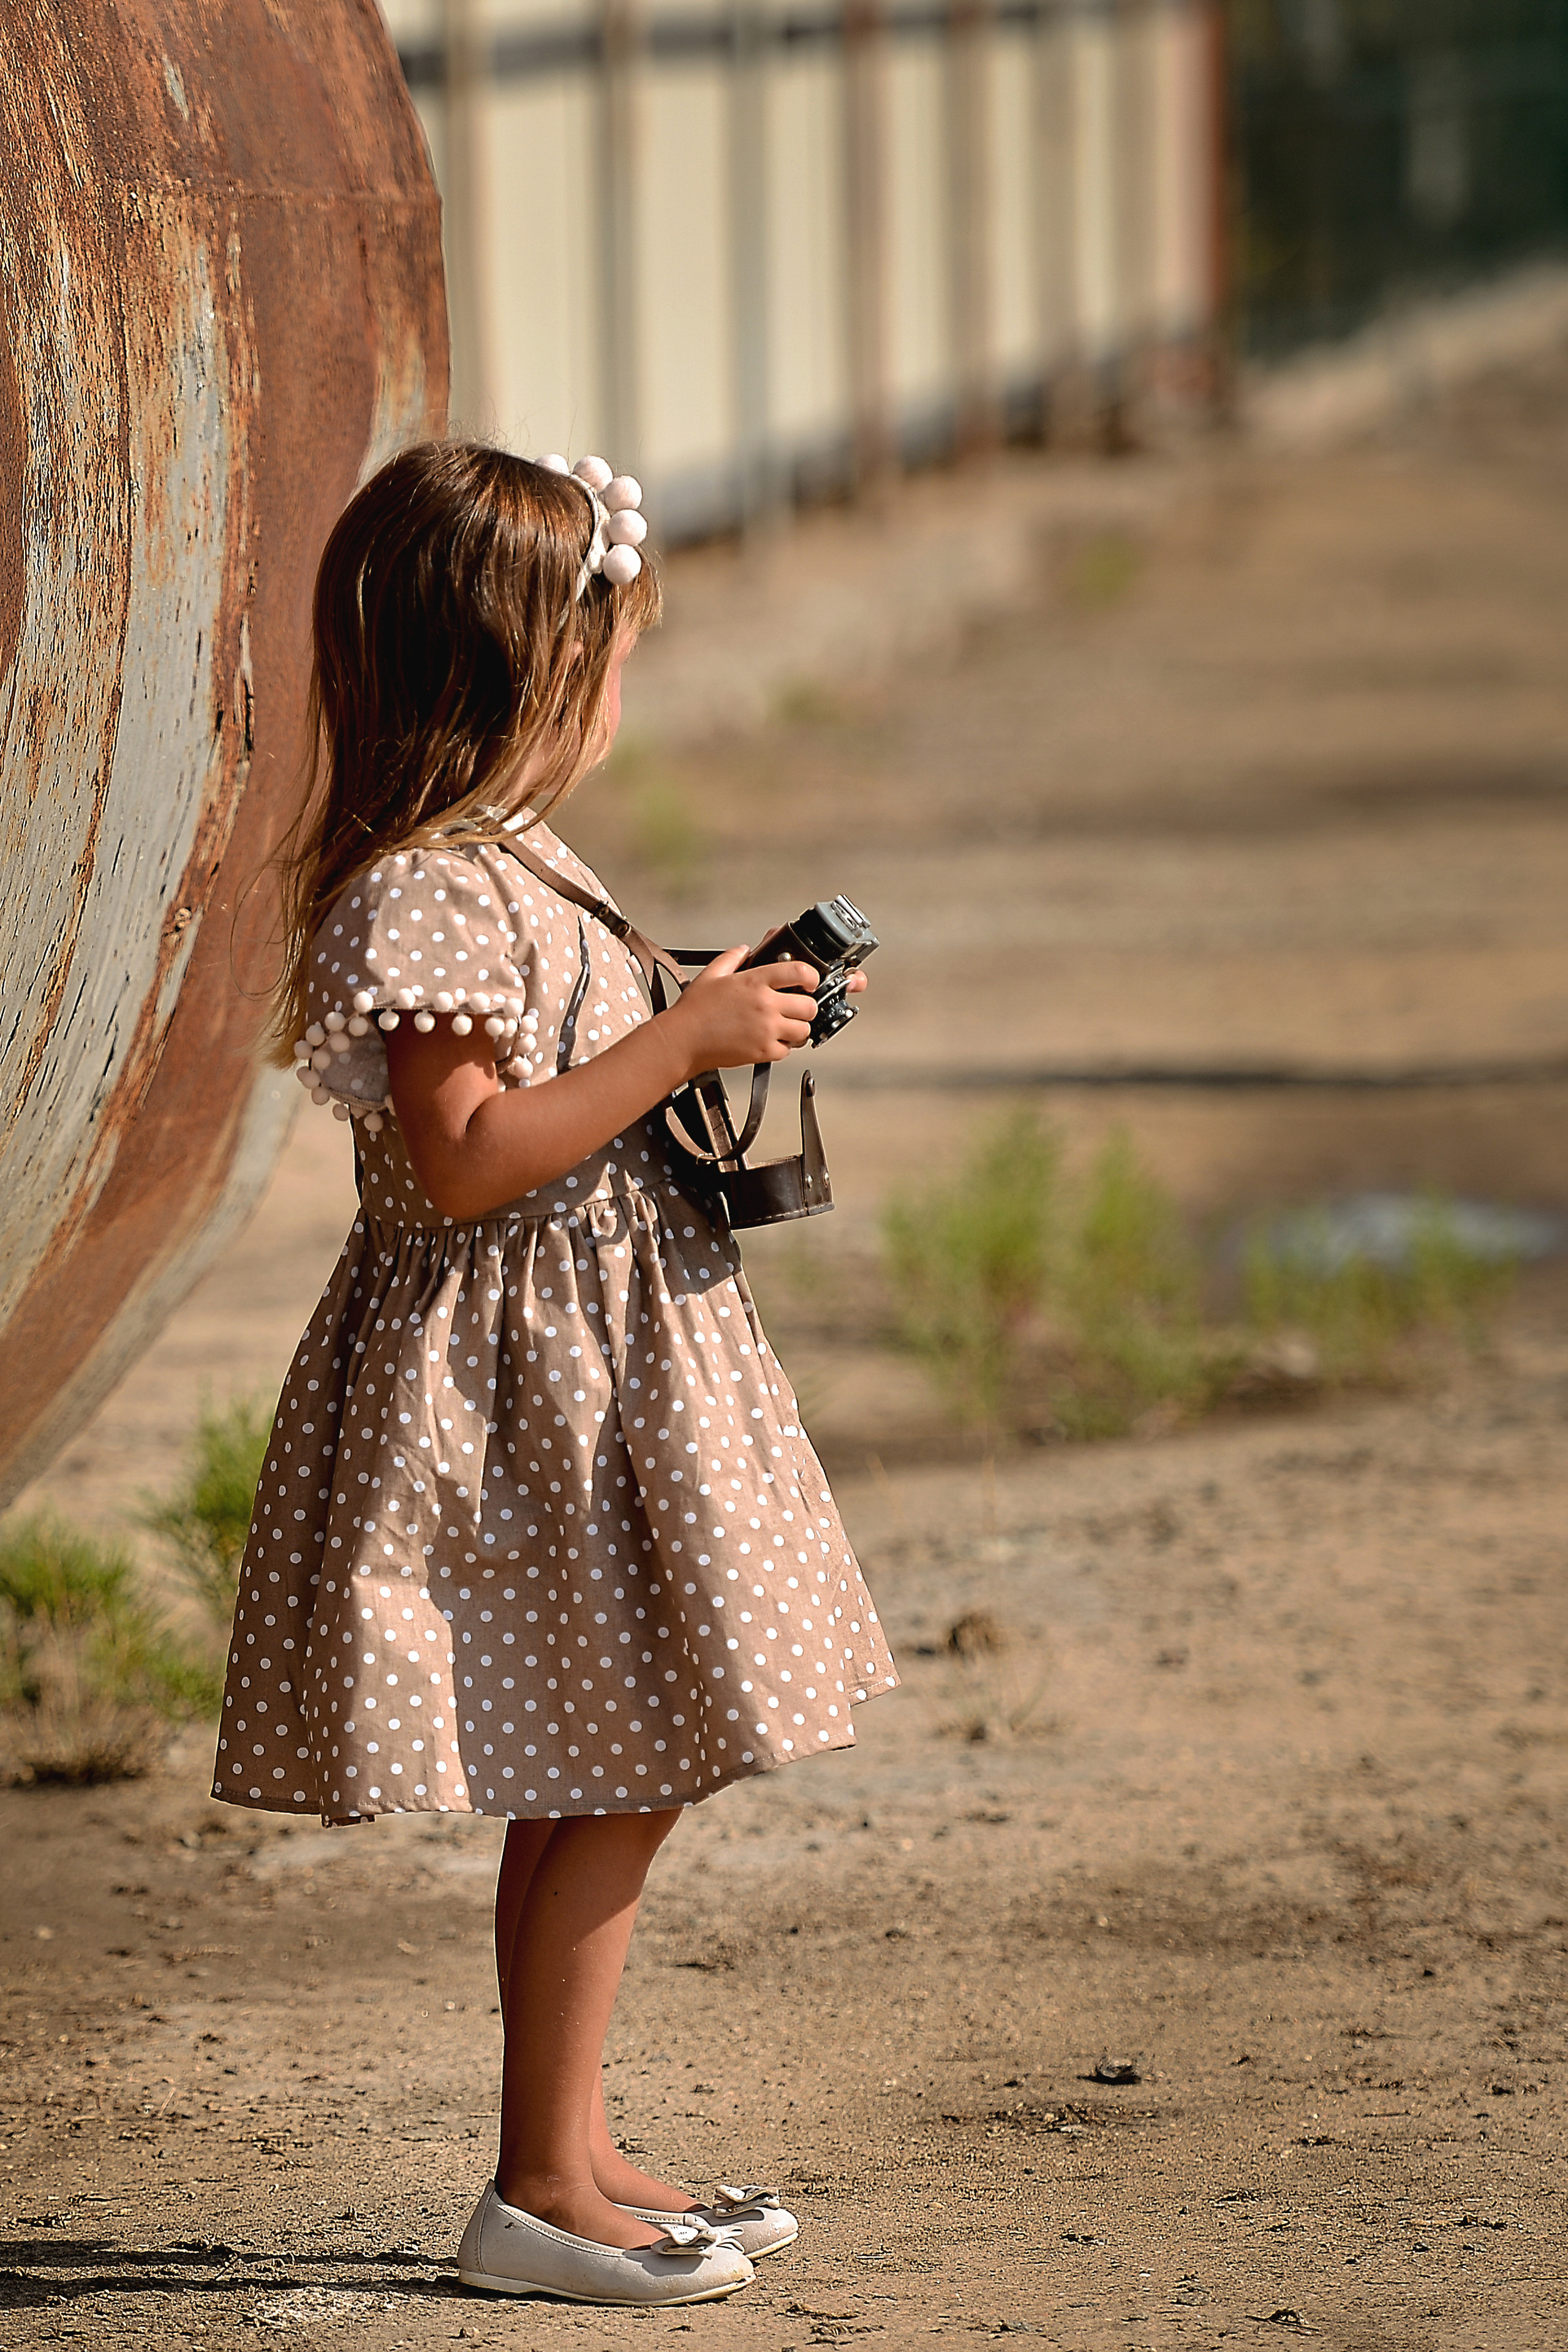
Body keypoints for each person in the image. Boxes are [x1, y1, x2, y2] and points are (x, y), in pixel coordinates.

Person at [214, 442, 899, 2308]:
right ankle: (534, 2189)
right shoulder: (419, 889)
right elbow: (467, 1156)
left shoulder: (506, 864)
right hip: (529, 1391)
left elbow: (558, 1041)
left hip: (606, 1364)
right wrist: (686, 1037)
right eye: (603, 664)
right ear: (514, 674)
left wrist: (705, 988)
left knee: (622, 1765)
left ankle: (575, 2154)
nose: (614, 701)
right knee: (625, 1761)